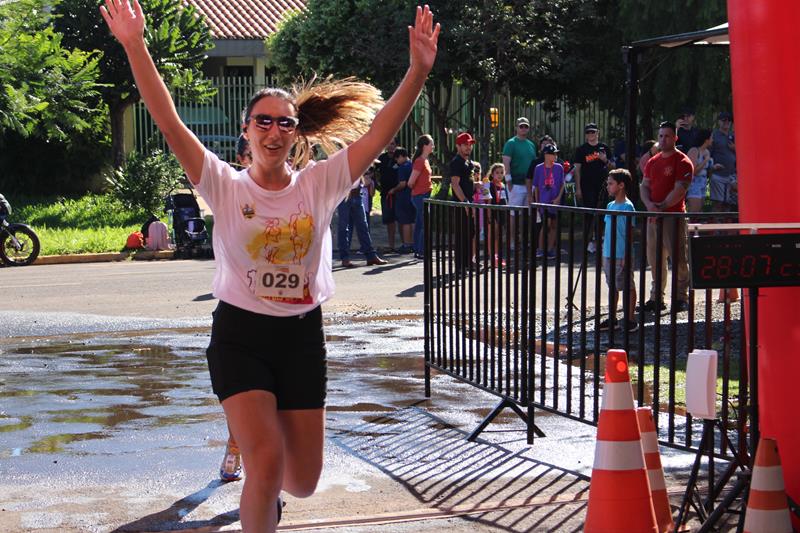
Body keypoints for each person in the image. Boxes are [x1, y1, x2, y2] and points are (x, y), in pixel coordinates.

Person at [100, 2, 440, 531]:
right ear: (247, 128)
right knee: (266, 464)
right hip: (241, 335)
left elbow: (376, 134)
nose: (275, 131)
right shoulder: (223, 185)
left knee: (301, 480)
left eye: (285, 123)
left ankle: (257, 455)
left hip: (303, 338)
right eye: (264, 121)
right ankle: (256, 453)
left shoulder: (319, 184)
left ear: (296, 133)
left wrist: (418, 70)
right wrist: (134, 44)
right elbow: (168, 121)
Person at [640, 121, 693, 313]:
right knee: (654, 258)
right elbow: (644, 186)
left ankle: (680, 297)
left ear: (675, 138)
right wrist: (649, 205)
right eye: (661, 136)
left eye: (667, 136)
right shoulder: (652, 162)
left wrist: (660, 207)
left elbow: (679, 190)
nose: (663, 139)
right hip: (654, 216)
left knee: (678, 258)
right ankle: (656, 297)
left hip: (673, 215)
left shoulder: (683, 161)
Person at [599, 169, 638, 333]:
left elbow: (630, 233)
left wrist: (626, 254)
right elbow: (607, 231)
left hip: (621, 253)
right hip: (608, 253)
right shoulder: (610, 205)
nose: (608, 186)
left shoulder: (628, 207)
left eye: (611, 183)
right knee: (612, 286)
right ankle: (613, 318)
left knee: (627, 285)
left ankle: (630, 319)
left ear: (621, 185)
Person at [574, 122, 614, 253]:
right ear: (586, 135)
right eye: (588, 132)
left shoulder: (604, 148)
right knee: (589, 215)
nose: (591, 134)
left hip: (603, 186)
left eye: (593, 132)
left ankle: (599, 241)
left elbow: (613, 167)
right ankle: (588, 242)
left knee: (601, 215)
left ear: (598, 133)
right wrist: (578, 188)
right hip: (587, 186)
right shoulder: (581, 150)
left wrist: (605, 160)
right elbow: (577, 170)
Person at [337, 174, 388, 268]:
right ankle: (345, 258)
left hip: (357, 193)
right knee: (344, 228)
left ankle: (370, 255)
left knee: (363, 226)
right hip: (344, 195)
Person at [502, 117, 537, 241]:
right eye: (521, 126)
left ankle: (522, 239)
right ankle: (511, 239)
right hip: (515, 184)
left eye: (525, 126)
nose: (523, 128)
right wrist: (508, 180)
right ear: (516, 127)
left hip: (529, 185)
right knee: (513, 214)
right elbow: (506, 162)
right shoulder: (511, 143)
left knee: (525, 214)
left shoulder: (531, 144)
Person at [449, 132, 477, 274]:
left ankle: (468, 262)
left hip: (469, 203)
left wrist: (478, 185)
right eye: (465, 144)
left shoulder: (468, 162)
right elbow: (455, 184)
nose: (468, 147)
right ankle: (460, 266)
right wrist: (465, 202)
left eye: (470, 144)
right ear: (458, 146)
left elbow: (468, 182)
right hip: (461, 204)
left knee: (470, 233)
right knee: (462, 234)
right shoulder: (457, 162)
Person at [531, 144, 565, 259]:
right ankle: (540, 249)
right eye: (553, 154)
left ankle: (550, 249)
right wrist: (537, 201)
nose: (555, 156)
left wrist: (558, 198)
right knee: (546, 224)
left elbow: (562, 184)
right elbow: (535, 186)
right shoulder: (538, 168)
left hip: (555, 200)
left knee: (554, 225)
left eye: (556, 153)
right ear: (546, 155)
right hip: (543, 201)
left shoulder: (559, 167)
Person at [407, 134, 434, 259]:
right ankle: (421, 251)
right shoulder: (420, 161)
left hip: (423, 195)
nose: (433, 146)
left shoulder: (425, 160)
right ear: (424, 146)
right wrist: (419, 190)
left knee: (419, 223)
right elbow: (411, 182)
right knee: (424, 223)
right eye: (431, 144)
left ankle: (418, 250)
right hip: (420, 196)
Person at [387, 147, 415, 253]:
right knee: (413, 220)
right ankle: (413, 243)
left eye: (397, 159)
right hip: (412, 196)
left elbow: (402, 184)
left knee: (405, 221)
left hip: (404, 198)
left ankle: (407, 244)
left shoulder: (402, 167)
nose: (396, 162)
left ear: (401, 157)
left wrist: (393, 190)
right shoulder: (412, 165)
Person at [709, 111, 737, 212]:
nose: (727, 122)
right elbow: (708, 154)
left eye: (729, 120)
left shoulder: (734, 135)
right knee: (718, 203)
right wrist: (712, 167)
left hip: (732, 174)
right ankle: (716, 227)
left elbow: (744, 153)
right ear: (719, 122)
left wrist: (735, 148)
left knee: (729, 203)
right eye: (724, 120)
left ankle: (727, 227)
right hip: (718, 174)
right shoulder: (714, 136)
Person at [376, 139, 400, 251]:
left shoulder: (400, 157)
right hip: (386, 193)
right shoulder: (381, 158)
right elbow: (374, 172)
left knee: (401, 219)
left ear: (397, 145)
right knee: (389, 220)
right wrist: (377, 185)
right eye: (388, 143)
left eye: (393, 144)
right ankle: (392, 245)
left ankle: (406, 244)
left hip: (399, 192)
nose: (390, 146)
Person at [486, 163, 509, 267]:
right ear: (492, 174)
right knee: (493, 235)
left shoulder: (503, 186)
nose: (499, 175)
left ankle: (497, 256)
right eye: (497, 173)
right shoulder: (490, 185)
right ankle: (492, 257)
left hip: (502, 213)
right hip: (493, 213)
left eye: (501, 172)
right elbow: (489, 201)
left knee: (499, 236)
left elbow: (505, 200)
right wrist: (490, 215)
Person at [686, 129, 713, 213]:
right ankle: (686, 226)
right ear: (706, 140)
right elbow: (693, 171)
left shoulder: (707, 152)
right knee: (694, 211)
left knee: (700, 211)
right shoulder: (694, 151)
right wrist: (705, 160)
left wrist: (713, 167)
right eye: (711, 138)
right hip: (694, 184)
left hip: (703, 182)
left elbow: (707, 170)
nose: (713, 140)